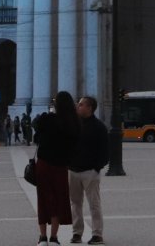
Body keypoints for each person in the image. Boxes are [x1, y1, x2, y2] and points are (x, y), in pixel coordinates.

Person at [33, 91, 80, 246]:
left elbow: (36, 138)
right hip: (61, 166)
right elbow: (75, 146)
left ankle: (42, 237)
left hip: (44, 164)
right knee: (59, 199)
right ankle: (54, 237)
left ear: (56, 104)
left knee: (44, 199)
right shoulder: (73, 123)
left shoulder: (46, 119)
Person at [67, 96, 109, 245]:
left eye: (81, 104)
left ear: (90, 108)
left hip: (90, 171)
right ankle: (77, 233)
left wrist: (97, 167)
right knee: (75, 204)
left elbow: (105, 151)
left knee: (94, 204)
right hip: (73, 170)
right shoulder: (73, 125)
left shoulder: (99, 127)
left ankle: (97, 234)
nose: (78, 107)